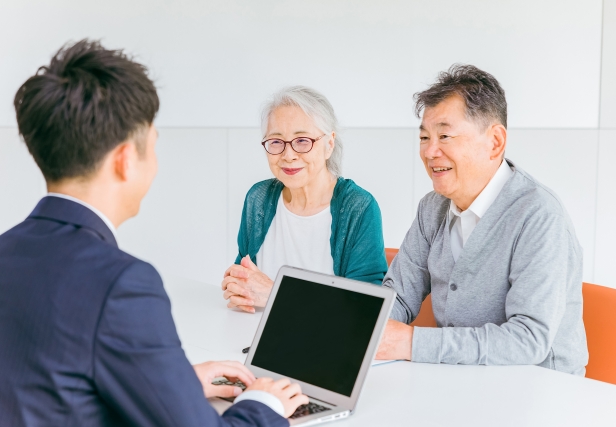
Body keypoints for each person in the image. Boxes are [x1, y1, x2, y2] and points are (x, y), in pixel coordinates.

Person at [0, 40, 308, 426]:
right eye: (152, 146)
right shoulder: (121, 284)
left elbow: (52, 386)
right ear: (125, 161)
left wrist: (174, 384)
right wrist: (263, 403)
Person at [376, 64, 588, 375]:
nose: (430, 151)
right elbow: (398, 298)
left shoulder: (539, 215)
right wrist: (363, 328)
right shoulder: (432, 209)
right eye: (424, 137)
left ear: (495, 143)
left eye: (444, 135)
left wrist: (409, 342)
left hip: (540, 392)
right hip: (463, 382)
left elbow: (528, 340)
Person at [222, 86, 388, 313]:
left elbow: (364, 310)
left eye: (302, 141)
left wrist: (276, 294)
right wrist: (237, 286)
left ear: (329, 144)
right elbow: (244, 278)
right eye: (276, 142)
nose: (288, 155)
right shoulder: (258, 199)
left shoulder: (358, 208)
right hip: (251, 339)